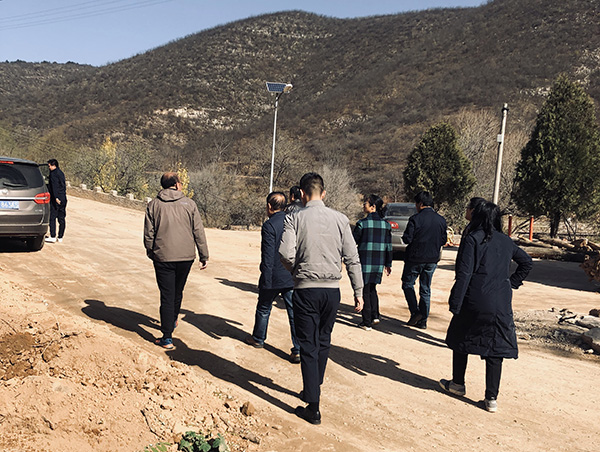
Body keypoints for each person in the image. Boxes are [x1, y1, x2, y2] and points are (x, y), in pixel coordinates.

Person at [279, 172, 363, 425]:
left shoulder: (294, 217)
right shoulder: (340, 219)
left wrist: (295, 270)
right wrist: (358, 292)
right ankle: (314, 385)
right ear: (323, 193)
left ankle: (313, 405)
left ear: (302, 194)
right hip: (332, 291)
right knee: (324, 340)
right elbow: (352, 258)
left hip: (306, 289)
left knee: (308, 345)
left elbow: (285, 253)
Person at [439, 201, 532, 413]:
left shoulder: (473, 238)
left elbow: (464, 273)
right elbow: (527, 262)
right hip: (500, 303)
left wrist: (456, 302)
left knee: (460, 339)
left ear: (478, 216)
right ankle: (491, 399)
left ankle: (457, 384)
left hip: (474, 298)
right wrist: (511, 283)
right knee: (495, 348)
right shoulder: (506, 240)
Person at [144, 172, 209, 350]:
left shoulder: (153, 205)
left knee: (167, 295)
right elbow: (198, 231)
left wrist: (151, 251)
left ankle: (167, 337)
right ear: (177, 185)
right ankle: (172, 320)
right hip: (186, 257)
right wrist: (203, 255)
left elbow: (149, 233)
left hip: (163, 256)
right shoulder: (189, 204)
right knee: (178, 291)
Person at [246, 191, 301, 364]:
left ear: (269, 206)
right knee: (294, 313)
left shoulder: (269, 225)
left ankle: (258, 338)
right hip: (291, 275)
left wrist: (266, 279)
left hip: (273, 275)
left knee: (264, 308)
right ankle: (298, 349)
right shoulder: (293, 221)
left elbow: (268, 255)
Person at [401, 191, 447, 329]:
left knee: (407, 284)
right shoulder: (441, 220)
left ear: (420, 204)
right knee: (425, 289)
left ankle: (416, 312)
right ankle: (423, 321)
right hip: (432, 259)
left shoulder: (415, 219)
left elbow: (407, 239)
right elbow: (443, 240)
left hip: (415, 259)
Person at [353, 194, 392, 330]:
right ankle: (375, 315)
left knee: (365, 289)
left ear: (373, 207)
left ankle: (366, 321)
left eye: (366, 203)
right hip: (378, 262)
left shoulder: (362, 224)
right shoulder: (386, 225)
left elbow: (353, 242)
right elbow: (388, 246)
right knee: (372, 288)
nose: (363, 205)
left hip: (364, 261)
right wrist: (388, 264)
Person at [45, 159, 67, 243]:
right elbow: (62, 186)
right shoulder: (61, 173)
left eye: (49, 166)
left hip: (56, 198)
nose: (49, 167)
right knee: (61, 218)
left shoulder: (53, 174)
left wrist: (56, 197)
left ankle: (53, 236)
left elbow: (54, 187)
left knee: (52, 217)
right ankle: (60, 237)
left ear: (53, 165)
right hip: (63, 197)